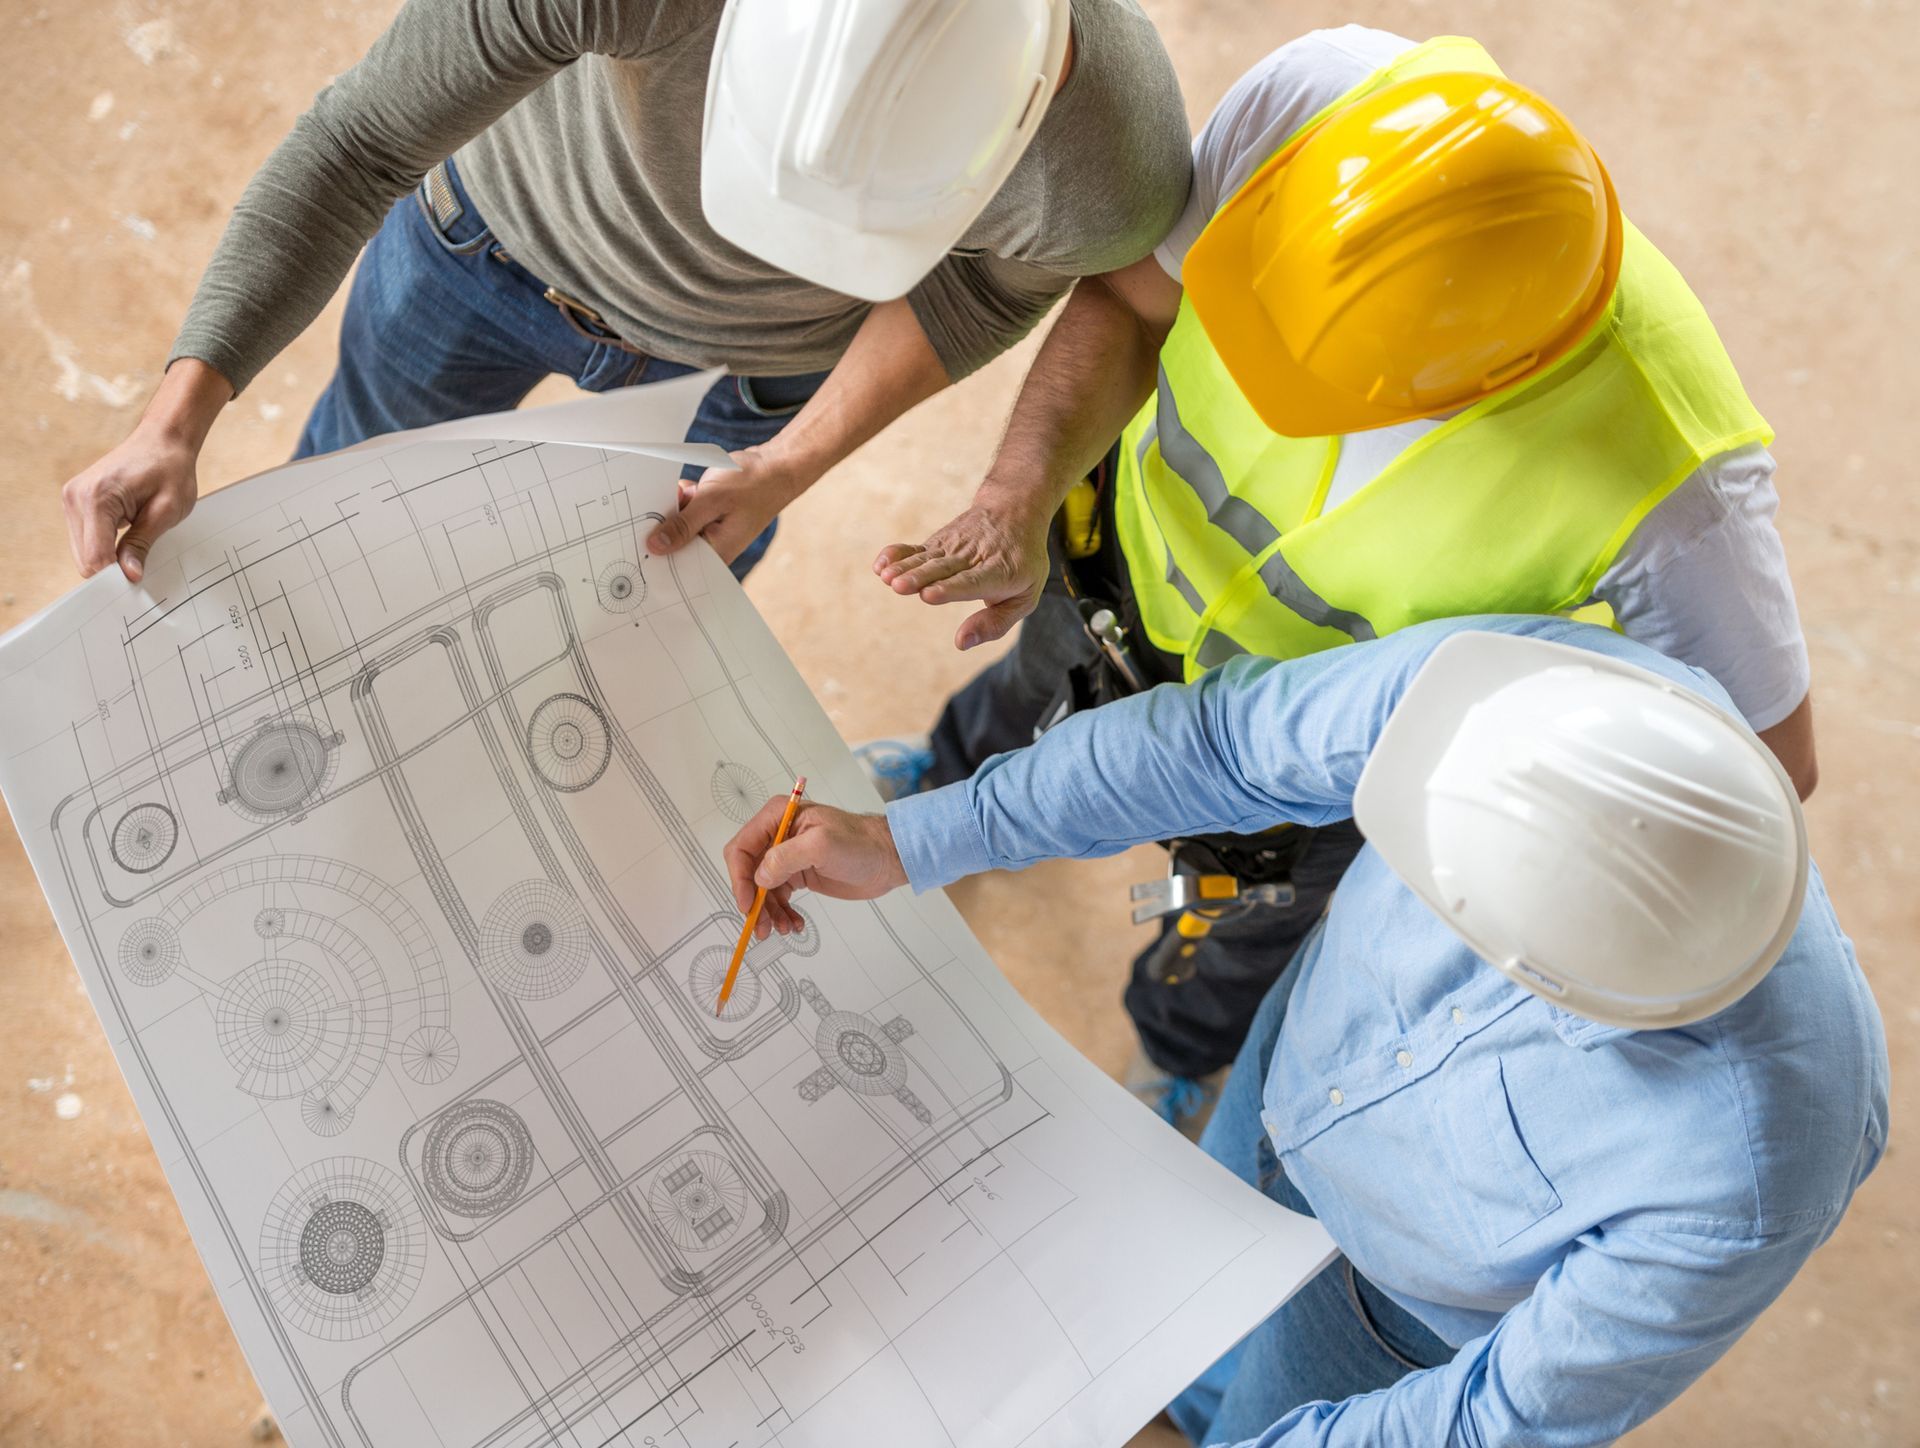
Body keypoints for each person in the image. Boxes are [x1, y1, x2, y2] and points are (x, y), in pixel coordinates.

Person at [864, 26, 1820, 1128]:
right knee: (1021, 692)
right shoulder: (1316, 112)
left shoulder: (1678, 494)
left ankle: (1178, 1050)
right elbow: (1131, 301)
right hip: (1107, 578)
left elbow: (1762, 770)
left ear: (1478, 387)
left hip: (1294, 780)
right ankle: (941, 774)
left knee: (1220, 925)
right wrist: (1019, 491)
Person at [726, 614, 1888, 1447]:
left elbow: (1494, 1416)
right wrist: (921, 837)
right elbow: (1217, 746)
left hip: (1382, 1319)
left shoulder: (1754, 1168)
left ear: (1564, 988)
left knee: (1256, 1415)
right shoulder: (1539, 700)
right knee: (1188, 1329)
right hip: (1284, 1082)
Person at [58, 0, 1188, 584]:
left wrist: (795, 461)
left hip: (749, 381)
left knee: (645, 618)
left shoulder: (1104, 157)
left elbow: (981, 295)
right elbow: (360, 142)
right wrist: (177, 420)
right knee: (345, 499)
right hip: (488, 247)